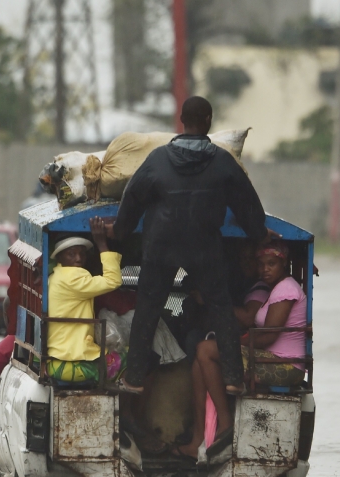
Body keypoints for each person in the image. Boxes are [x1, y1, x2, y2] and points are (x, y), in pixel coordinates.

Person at [112, 96, 268, 396]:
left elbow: (131, 199)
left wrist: (119, 231)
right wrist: (259, 233)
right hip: (204, 247)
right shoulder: (223, 162)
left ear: (182, 120)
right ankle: (234, 379)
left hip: (161, 246)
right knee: (220, 306)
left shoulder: (157, 159)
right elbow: (247, 204)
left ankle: (134, 378)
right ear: (208, 120)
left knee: (148, 306)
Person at [177, 240, 305, 460]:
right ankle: (199, 437)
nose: (265, 269)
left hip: (283, 363)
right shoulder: (276, 289)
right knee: (201, 355)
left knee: (206, 350)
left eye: (271, 263)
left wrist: (233, 344)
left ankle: (225, 424)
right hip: (268, 357)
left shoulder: (287, 289)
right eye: (261, 264)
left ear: (283, 264)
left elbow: (269, 335)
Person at [46, 217, 122, 383]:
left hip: (57, 357)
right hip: (74, 359)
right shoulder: (74, 276)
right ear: (60, 258)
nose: (78, 259)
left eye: (82, 253)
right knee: (132, 357)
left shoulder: (55, 276)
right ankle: (132, 408)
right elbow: (113, 281)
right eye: (71, 254)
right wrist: (102, 244)